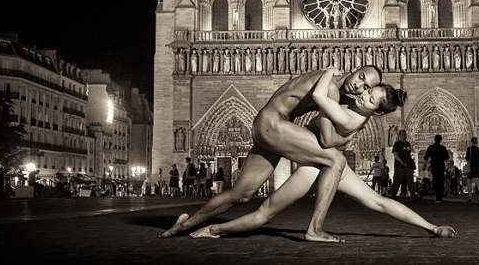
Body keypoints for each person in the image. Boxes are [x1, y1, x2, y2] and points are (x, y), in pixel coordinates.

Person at [188, 71, 455, 240]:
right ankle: (212, 229)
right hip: (322, 160)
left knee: (266, 213)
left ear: (378, 113)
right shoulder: (355, 111)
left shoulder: (348, 116)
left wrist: (328, 72)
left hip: (317, 163)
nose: (363, 96)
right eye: (367, 91)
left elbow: (320, 101)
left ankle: (214, 229)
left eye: (371, 99)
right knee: (374, 199)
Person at [159, 65, 383, 242]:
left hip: (266, 124)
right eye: (361, 77)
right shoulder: (331, 89)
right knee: (336, 159)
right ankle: (315, 229)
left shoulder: (329, 78)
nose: (359, 86)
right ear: (355, 69)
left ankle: (184, 225)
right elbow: (326, 139)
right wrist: (347, 134)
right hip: (275, 124)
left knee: (241, 194)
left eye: (366, 88)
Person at [388, 129, 420, 202]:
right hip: (400, 166)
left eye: (405, 134)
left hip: (408, 165)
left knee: (410, 181)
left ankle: (413, 196)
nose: (405, 136)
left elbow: (411, 153)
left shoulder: (408, 144)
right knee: (397, 181)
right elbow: (395, 154)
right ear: (399, 136)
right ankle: (393, 195)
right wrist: (401, 161)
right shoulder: (397, 144)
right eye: (403, 134)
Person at [423, 134, 450, 202]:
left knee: (435, 181)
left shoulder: (431, 147)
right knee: (441, 181)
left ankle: (437, 196)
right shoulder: (443, 148)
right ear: (441, 140)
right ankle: (440, 197)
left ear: (434, 139)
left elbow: (426, 157)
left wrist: (424, 164)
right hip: (441, 166)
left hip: (434, 166)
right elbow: (447, 157)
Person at [465, 136, 479, 202]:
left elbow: (467, 158)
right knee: (478, 182)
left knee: (469, 181)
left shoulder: (469, 149)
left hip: (471, 167)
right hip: (478, 167)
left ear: (471, 142)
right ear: (477, 142)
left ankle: (470, 196)